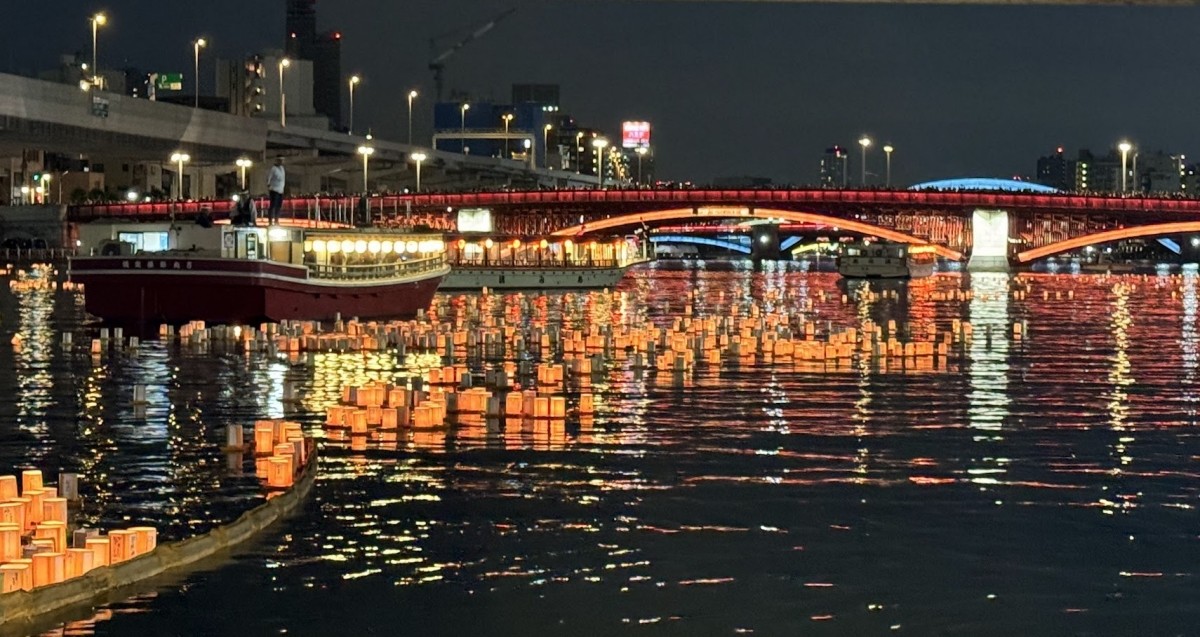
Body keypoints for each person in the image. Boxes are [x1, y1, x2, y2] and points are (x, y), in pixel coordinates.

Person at [267, 157, 286, 224]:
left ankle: (276, 220)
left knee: (278, 206)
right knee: (273, 206)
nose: (281, 162)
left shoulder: (282, 168)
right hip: (274, 190)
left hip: (280, 190)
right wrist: (269, 186)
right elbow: (269, 177)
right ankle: (270, 221)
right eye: (280, 160)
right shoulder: (273, 169)